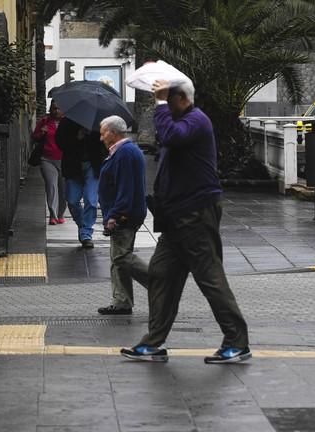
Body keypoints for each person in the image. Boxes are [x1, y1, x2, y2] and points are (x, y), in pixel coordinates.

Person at [120, 79, 251, 364]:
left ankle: (237, 341)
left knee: (209, 277)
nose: (165, 105)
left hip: (195, 213)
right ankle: (154, 342)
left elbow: (171, 136)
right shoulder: (181, 121)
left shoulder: (196, 121)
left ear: (181, 98)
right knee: (161, 274)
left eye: (169, 100)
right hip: (176, 217)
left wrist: (159, 104)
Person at [97, 115, 149, 315]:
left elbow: (125, 188)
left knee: (121, 257)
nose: (101, 138)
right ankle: (122, 301)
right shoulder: (123, 152)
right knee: (116, 257)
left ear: (113, 132)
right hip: (124, 212)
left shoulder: (125, 154)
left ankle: (159, 284)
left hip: (125, 214)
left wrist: (115, 215)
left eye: (103, 134)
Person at [56, 117, 106, 248]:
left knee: (91, 199)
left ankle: (86, 233)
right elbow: (60, 143)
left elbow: (106, 144)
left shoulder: (99, 122)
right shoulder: (67, 121)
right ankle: (82, 225)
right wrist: (77, 137)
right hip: (73, 166)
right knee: (72, 200)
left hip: (93, 166)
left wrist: (94, 137)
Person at [32, 101, 67, 225]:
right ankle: (52, 215)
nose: (56, 111)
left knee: (63, 189)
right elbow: (35, 137)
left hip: (65, 160)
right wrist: (42, 132)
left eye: (58, 108)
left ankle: (61, 213)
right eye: (54, 108)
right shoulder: (45, 121)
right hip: (47, 159)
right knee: (51, 186)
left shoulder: (68, 122)